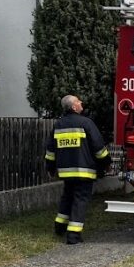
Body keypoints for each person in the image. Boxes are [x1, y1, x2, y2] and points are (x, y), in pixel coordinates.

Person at [44, 95, 110, 245]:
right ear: (74, 107)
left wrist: (50, 167)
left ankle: (59, 226)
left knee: (67, 197)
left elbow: (50, 150)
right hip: (84, 172)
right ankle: (73, 235)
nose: (81, 102)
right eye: (78, 101)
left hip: (66, 172)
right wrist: (106, 162)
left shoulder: (58, 125)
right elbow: (98, 147)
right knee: (80, 200)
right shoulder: (86, 123)